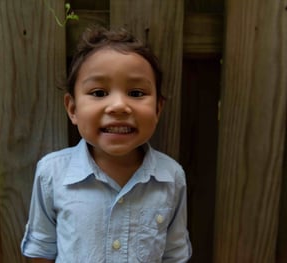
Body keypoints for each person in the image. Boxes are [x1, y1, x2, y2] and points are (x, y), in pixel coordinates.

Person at [21, 26, 192, 262]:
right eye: (99, 93)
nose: (119, 106)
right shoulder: (52, 174)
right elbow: (41, 250)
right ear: (72, 108)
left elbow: (174, 254)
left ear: (158, 109)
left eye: (136, 92)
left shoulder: (171, 178)